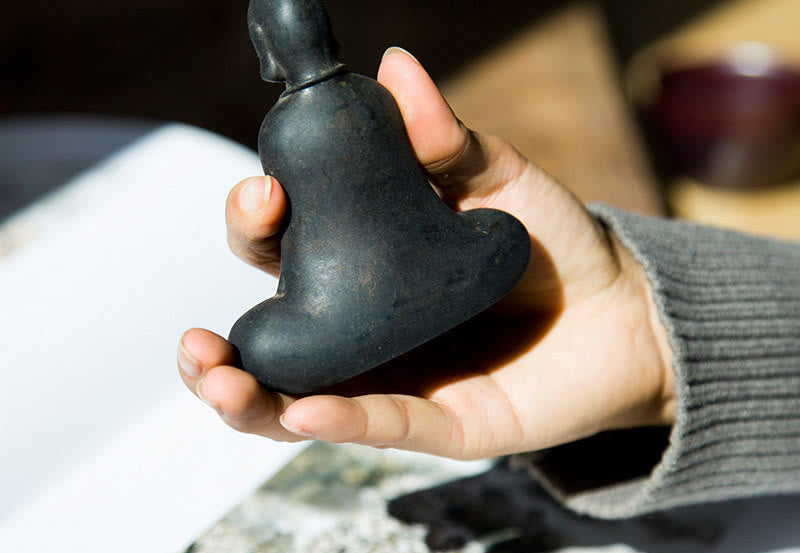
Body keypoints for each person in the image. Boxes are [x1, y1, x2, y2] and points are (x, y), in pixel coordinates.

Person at [177, 46, 800, 520]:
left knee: (260, 346)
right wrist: (646, 332)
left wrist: (656, 348)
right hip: (446, 277)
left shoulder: (319, 121)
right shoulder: (328, 121)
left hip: (360, 311)